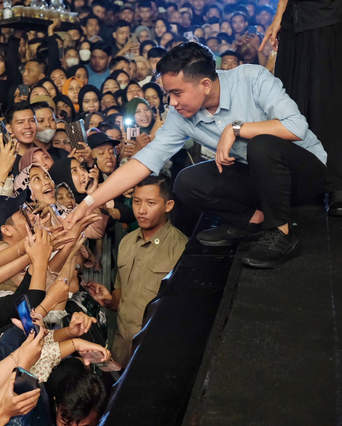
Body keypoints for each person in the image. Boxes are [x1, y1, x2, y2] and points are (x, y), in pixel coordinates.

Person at [68, 42, 327, 269]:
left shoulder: (251, 78)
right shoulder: (181, 116)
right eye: (168, 93)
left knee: (260, 145)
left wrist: (235, 129)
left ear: (205, 84)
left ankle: (280, 233)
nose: (172, 102)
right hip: (261, 181)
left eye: (177, 93)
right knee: (187, 182)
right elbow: (141, 163)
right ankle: (251, 222)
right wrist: (87, 204)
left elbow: (296, 126)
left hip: (303, 176)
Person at [86, 176, 187, 366]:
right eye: (136, 201)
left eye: (150, 203)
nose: (141, 210)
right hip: (121, 349)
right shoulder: (127, 242)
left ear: (168, 205)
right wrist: (110, 300)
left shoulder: (181, 249)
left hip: (155, 353)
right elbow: (121, 295)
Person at [260, 0, 342, 216]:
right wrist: (279, 16)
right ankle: (302, 182)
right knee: (291, 102)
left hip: (327, 17)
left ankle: (336, 184)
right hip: (293, 22)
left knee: (327, 100)